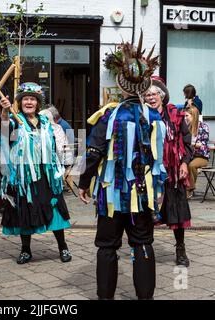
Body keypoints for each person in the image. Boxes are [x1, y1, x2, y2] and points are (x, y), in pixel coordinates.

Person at [78, 32, 166, 300]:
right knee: (142, 243)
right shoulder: (154, 117)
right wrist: (158, 189)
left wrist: (84, 183)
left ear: (122, 86)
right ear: (143, 86)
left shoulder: (109, 115)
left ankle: (105, 297)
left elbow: (94, 152)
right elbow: (160, 159)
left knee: (107, 246)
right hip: (142, 192)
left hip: (111, 194)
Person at [0, 82, 72, 264]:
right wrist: (5, 112)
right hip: (24, 176)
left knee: (55, 209)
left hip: (46, 173)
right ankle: (25, 250)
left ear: (38, 103)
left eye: (32, 99)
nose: (29, 102)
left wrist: (61, 166)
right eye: (25, 99)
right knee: (25, 210)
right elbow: (5, 132)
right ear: (20, 102)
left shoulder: (46, 121)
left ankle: (63, 247)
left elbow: (55, 145)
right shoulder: (16, 120)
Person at [144, 77, 193, 267]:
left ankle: (180, 249)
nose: (150, 97)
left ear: (162, 96)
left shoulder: (176, 115)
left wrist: (184, 163)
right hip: (150, 173)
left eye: (153, 93)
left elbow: (187, 143)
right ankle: (145, 250)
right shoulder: (142, 116)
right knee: (147, 212)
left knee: (177, 213)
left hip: (173, 172)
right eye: (147, 94)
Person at [184, 105, 209, 198]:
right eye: (184, 116)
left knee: (191, 165)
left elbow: (202, 146)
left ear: (193, 116)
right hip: (190, 155)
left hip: (201, 156)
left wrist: (192, 143)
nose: (185, 118)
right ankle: (181, 190)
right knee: (182, 165)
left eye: (187, 116)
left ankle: (189, 189)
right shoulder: (186, 127)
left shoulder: (203, 127)